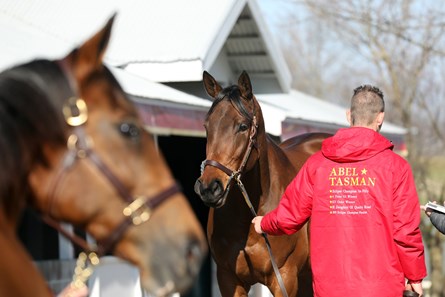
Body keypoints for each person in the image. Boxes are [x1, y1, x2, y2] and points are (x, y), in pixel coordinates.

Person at [252, 85, 427, 297]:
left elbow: (290, 215)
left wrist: (264, 223)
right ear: (380, 118)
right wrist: (415, 276)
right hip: (382, 289)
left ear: (348, 115)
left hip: (330, 289)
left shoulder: (317, 165)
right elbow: (406, 232)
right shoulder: (396, 167)